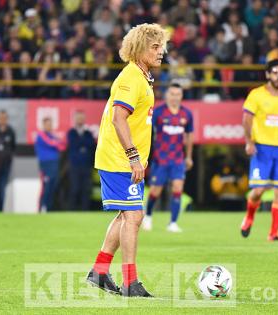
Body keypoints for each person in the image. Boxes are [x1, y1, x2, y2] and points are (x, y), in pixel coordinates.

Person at [87, 23, 169, 297]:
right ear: (138, 49)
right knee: (134, 216)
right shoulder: (130, 78)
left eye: (162, 47)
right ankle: (129, 282)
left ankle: (99, 272)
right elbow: (118, 117)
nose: (161, 52)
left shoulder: (142, 76)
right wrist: (134, 157)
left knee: (128, 214)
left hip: (125, 159)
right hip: (118, 159)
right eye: (155, 47)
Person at [240, 59, 278, 241]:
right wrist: (249, 142)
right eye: (275, 72)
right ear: (267, 74)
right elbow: (247, 119)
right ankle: (249, 216)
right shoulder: (256, 95)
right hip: (262, 148)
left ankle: (274, 233)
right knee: (259, 190)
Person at [143, 83, 194, 233]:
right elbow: (147, 132)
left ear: (181, 96)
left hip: (178, 159)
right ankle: (148, 216)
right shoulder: (158, 113)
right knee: (155, 191)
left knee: (178, 188)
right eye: (172, 94)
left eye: (178, 94)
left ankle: (172, 223)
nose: (175, 97)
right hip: (161, 159)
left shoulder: (187, 114)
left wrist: (189, 157)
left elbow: (190, 136)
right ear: (166, 95)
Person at [34, 117, 64, 212]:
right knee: (45, 186)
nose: (49, 126)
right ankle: (40, 207)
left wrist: (57, 143)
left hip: (54, 164)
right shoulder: (41, 135)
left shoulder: (52, 136)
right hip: (46, 165)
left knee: (53, 186)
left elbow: (62, 145)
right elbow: (53, 144)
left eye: (50, 124)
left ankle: (49, 208)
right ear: (43, 125)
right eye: (47, 124)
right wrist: (57, 143)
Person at [67, 111, 95, 210]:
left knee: (86, 189)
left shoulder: (88, 133)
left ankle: (85, 210)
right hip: (75, 165)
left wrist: (81, 144)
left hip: (86, 165)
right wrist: (83, 145)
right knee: (75, 188)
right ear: (74, 119)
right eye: (78, 118)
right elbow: (73, 144)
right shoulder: (71, 132)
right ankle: (72, 210)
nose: (80, 120)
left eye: (82, 118)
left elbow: (91, 144)